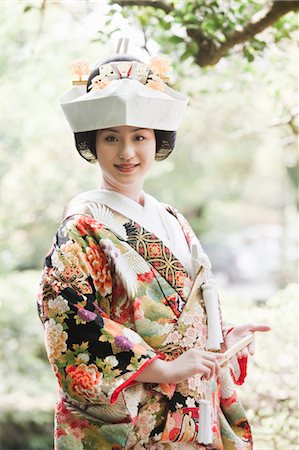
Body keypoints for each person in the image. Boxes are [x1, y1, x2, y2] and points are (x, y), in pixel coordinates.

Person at [38, 39, 270, 450]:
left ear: (156, 142)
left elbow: (182, 315)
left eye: (140, 137)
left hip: (190, 414)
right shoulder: (83, 225)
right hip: (137, 418)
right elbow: (67, 320)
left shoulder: (171, 219)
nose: (127, 152)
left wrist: (222, 339)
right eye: (111, 138)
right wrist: (162, 369)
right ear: (92, 144)